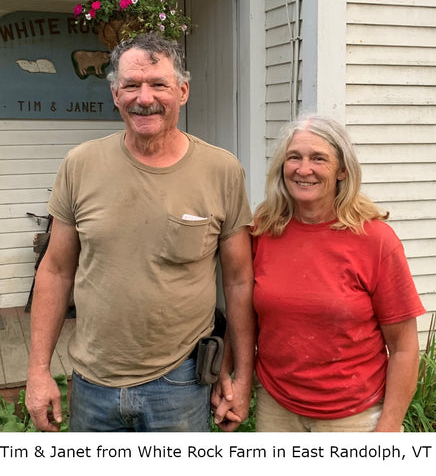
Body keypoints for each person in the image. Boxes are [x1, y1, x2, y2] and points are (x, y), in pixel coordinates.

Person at [25, 32, 255, 432]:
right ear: (115, 93)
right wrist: (39, 370)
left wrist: (241, 375)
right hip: (92, 381)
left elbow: (238, 281)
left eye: (158, 85)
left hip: (180, 382)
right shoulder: (80, 165)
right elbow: (56, 271)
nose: (144, 98)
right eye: (131, 85)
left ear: (182, 91)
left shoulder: (222, 171)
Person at [250, 114, 425, 432]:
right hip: (276, 408)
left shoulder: (375, 240)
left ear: (342, 169)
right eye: (294, 158)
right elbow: (244, 315)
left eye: (318, 158)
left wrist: (389, 428)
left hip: (353, 417)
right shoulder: (264, 230)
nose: (304, 169)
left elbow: (404, 347)